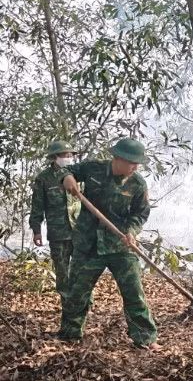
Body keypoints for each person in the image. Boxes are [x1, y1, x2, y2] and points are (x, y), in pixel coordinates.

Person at [56, 138, 160, 350]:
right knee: (76, 292)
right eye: (132, 162)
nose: (136, 167)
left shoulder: (138, 184)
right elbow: (63, 170)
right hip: (88, 244)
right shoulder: (93, 168)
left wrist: (131, 231)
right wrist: (67, 177)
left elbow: (140, 214)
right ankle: (69, 335)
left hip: (120, 245)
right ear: (118, 159)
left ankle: (145, 338)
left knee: (133, 293)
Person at [29, 141, 80, 305]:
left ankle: (84, 302)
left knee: (82, 270)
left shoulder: (78, 175)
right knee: (63, 271)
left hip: (80, 232)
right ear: (54, 157)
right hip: (58, 234)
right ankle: (67, 304)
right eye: (66, 155)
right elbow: (37, 206)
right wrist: (36, 230)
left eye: (71, 155)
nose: (69, 157)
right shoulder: (44, 179)